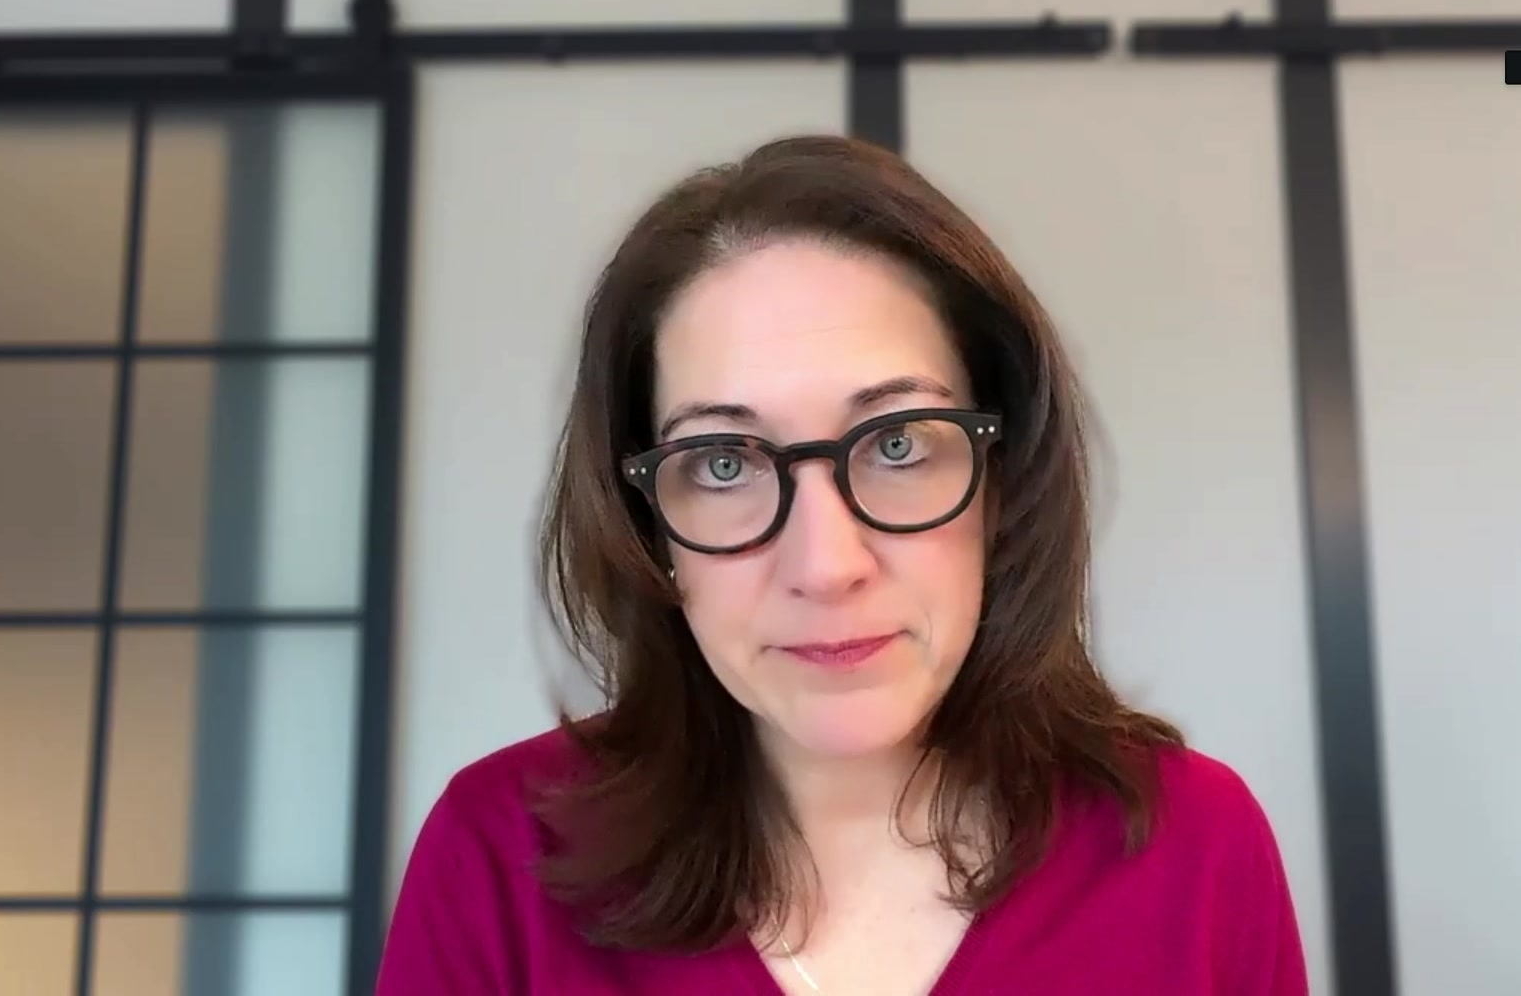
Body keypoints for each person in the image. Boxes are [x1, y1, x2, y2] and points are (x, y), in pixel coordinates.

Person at [376, 135, 1308, 994]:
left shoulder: (1193, 847)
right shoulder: (501, 855)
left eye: (898, 443)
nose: (826, 565)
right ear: (645, 522)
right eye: (725, 463)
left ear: (1002, 476)